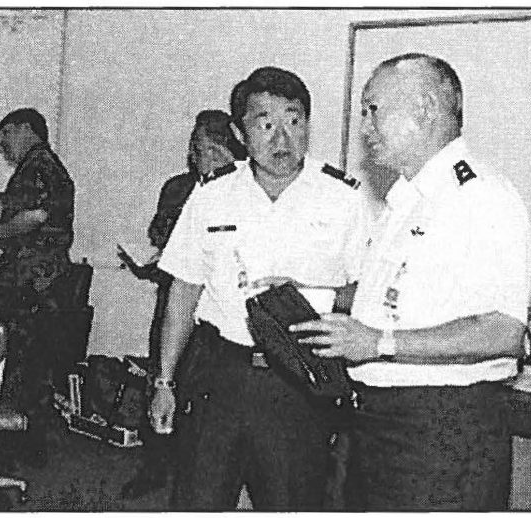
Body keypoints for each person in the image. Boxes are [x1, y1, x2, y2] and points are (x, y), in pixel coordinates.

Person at [291, 53, 530, 511]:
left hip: (442, 431)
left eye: (372, 109)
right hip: (379, 424)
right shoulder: (407, 199)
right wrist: (309, 295)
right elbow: (387, 301)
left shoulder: (482, 197)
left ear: (424, 108)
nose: (364, 127)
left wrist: (379, 343)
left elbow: (504, 332)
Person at [150, 67, 368, 510]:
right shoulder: (211, 197)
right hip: (219, 375)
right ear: (239, 132)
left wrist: (311, 291)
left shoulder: (343, 200)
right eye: (265, 123)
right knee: (199, 500)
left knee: (293, 502)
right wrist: (165, 381)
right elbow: (183, 293)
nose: (282, 138)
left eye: (294, 120)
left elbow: (363, 295)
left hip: (299, 382)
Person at [118, 110, 245, 499]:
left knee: (203, 392)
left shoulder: (243, 190)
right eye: (196, 148)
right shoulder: (177, 188)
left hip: (218, 312)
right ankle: (154, 464)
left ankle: (199, 466)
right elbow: (159, 232)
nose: (201, 156)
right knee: (161, 377)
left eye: (210, 148)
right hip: (174, 297)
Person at [0, 107, 75, 467]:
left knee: (21, 361)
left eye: (6, 134)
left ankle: (13, 442)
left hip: (32, 281)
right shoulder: (38, 168)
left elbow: (35, 217)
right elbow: (14, 209)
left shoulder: (39, 164)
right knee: (25, 362)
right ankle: (15, 441)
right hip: (34, 280)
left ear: (26, 130)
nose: (2, 144)